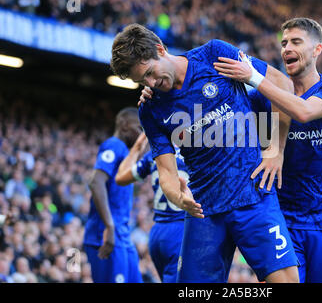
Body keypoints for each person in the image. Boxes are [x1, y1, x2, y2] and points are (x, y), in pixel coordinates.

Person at [111, 23, 299, 283]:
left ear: (160, 49)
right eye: (142, 80)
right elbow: (166, 172)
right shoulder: (150, 109)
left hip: (254, 196)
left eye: (150, 73)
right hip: (204, 210)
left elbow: (281, 85)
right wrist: (178, 197)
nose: (151, 83)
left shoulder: (214, 55)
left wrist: (274, 151)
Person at [213, 17, 322, 283]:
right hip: (282, 220)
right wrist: (163, 89)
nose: (286, 48)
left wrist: (254, 77)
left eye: (296, 42)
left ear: (317, 50)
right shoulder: (262, 99)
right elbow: (216, 108)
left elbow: (303, 111)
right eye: (284, 43)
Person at [115, 132, 189, 283]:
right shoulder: (198, 154)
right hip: (181, 232)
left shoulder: (154, 154)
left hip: (157, 234)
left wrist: (138, 145)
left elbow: (120, 177)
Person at [83, 107, 143, 283]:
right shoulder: (114, 145)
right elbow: (95, 182)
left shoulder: (125, 152)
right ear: (124, 125)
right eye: (139, 128)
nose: (141, 134)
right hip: (105, 235)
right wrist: (109, 226)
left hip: (123, 236)